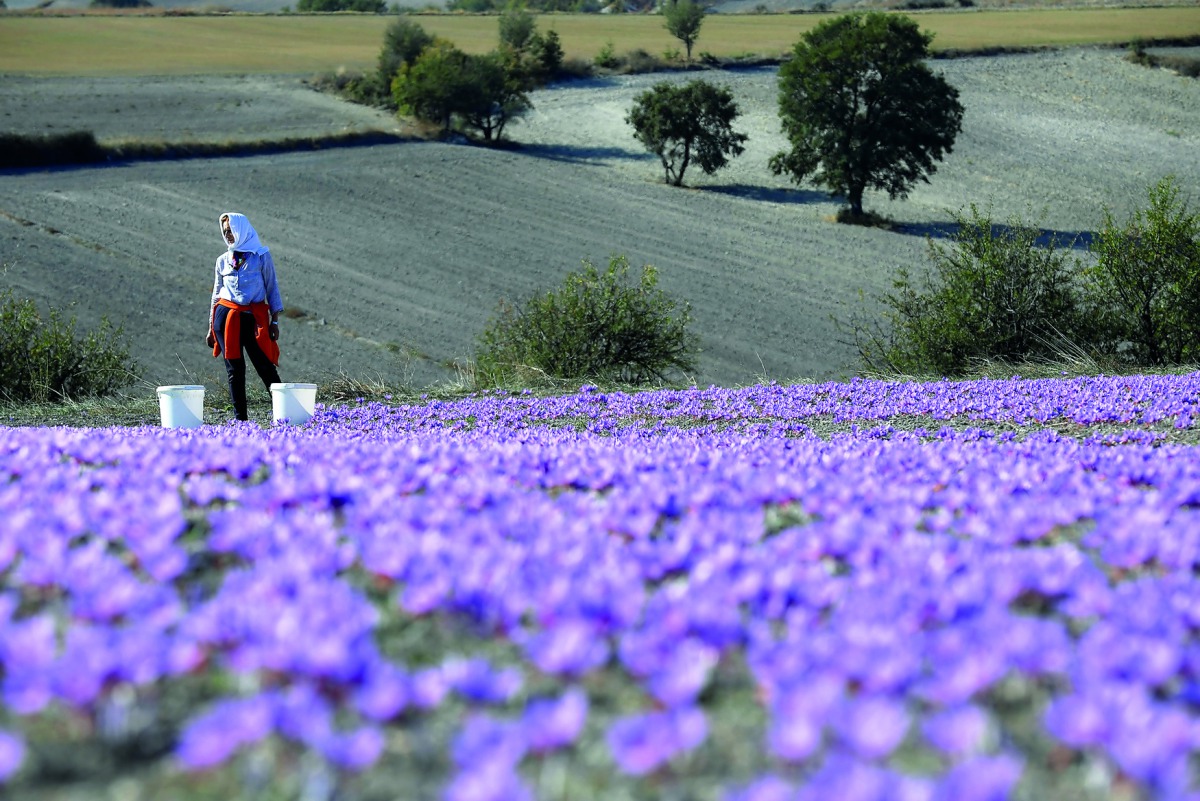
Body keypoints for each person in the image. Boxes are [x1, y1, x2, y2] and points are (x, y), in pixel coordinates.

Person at [206, 212, 283, 422]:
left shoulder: (261, 256)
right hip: (226, 317)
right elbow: (216, 294)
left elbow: (271, 287)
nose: (228, 235)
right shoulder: (222, 260)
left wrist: (274, 320)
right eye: (225, 232)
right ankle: (241, 420)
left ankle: (285, 413)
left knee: (264, 366)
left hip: (253, 318)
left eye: (231, 230)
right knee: (235, 370)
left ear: (241, 229)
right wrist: (211, 326)